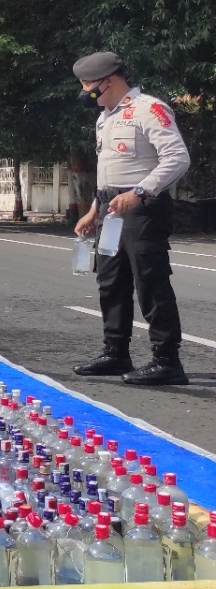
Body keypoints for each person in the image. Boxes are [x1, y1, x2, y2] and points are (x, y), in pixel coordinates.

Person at [72, 51, 191, 385]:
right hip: (110, 209)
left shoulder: (148, 109)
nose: (84, 91)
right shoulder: (104, 117)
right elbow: (108, 170)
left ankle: (167, 360)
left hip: (143, 209)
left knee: (150, 282)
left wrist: (139, 192)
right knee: (110, 281)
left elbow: (177, 158)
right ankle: (115, 353)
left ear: (108, 80)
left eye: (87, 84)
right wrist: (94, 210)